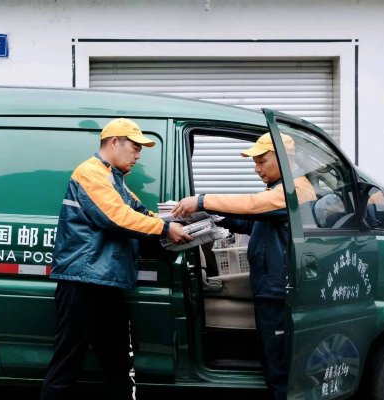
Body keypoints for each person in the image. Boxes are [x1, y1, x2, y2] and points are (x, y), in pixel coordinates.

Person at [40, 118, 192, 400]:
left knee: (118, 361)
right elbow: (115, 217)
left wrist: (180, 222)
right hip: (82, 282)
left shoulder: (114, 180)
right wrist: (165, 229)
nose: (138, 155)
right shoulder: (89, 173)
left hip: (104, 281)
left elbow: (140, 213)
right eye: (135, 148)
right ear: (113, 143)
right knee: (67, 363)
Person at [171, 132, 316, 400]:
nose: (256, 169)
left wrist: (202, 201)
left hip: (279, 292)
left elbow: (252, 205)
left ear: (284, 159)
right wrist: (215, 217)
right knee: (272, 356)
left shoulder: (295, 190)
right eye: (255, 163)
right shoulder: (277, 190)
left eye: (261, 161)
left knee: (280, 362)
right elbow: (252, 221)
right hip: (269, 288)